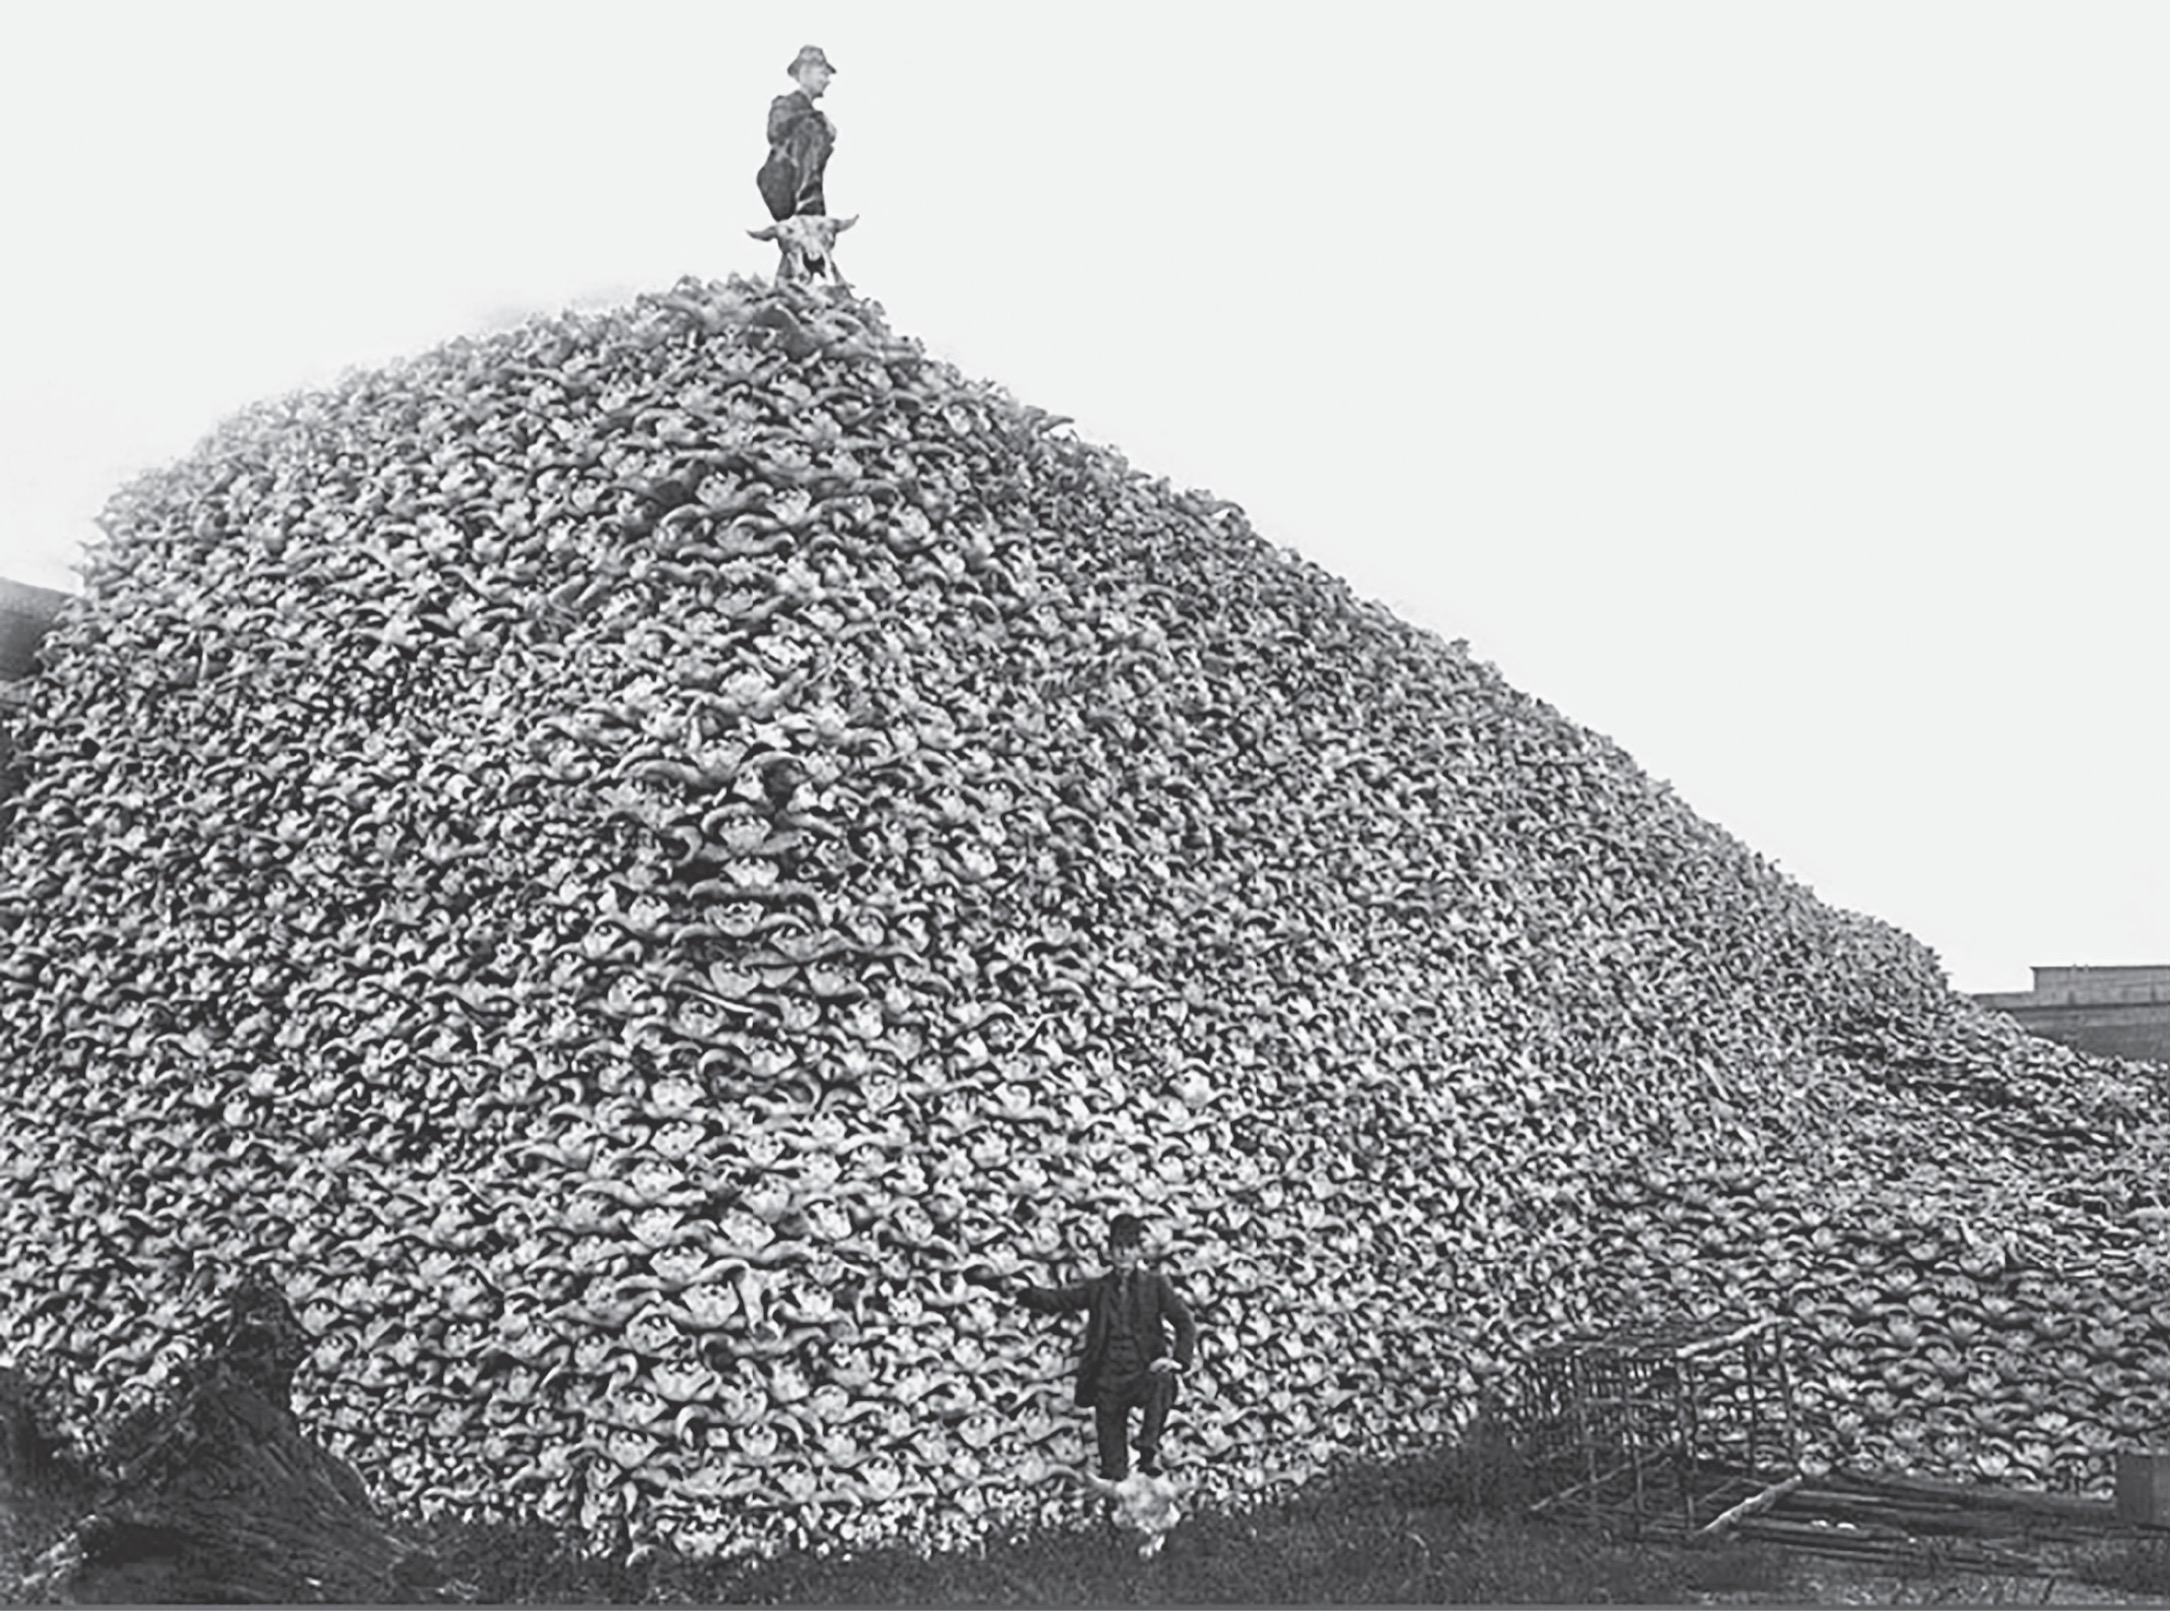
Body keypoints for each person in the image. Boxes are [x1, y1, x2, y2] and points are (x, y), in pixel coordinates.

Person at [1015, 1213, 1197, 1480]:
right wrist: (1023, 1292)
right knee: (1113, 1467)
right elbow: (1061, 1300)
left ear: (1139, 1251)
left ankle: (1148, 1447)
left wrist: (1178, 1360)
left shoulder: (1156, 1286)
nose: (1123, 1255)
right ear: (1109, 1252)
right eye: (1117, 1249)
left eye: (1129, 1248)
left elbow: (1184, 1322)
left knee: (1164, 1379)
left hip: (1141, 1374)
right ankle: (1119, 1511)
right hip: (1108, 1381)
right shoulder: (1098, 1289)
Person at [758, 45, 838, 222]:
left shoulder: (815, 121)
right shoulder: (784, 104)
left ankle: (811, 202)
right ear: (805, 72)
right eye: (823, 74)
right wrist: (819, 118)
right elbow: (776, 130)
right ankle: (808, 201)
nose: (827, 81)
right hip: (780, 182)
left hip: (797, 186)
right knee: (811, 128)